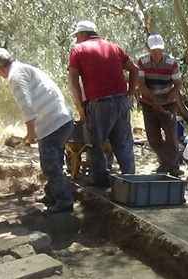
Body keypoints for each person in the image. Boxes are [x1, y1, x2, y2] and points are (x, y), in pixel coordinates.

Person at [0, 48, 74, 214]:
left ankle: (64, 202)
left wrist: (31, 133)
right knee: (54, 161)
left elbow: (26, 107)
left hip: (52, 124)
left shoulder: (15, 76)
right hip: (63, 120)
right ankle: (52, 195)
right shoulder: (25, 68)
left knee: (50, 165)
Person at [68, 20, 137, 187]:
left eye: (77, 36)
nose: (76, 39)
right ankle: (131, 180)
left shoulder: (78, 50)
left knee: (95, 144)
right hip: (121, 101)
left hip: (99, 103)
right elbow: (134, 69)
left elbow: (73, 81)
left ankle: (100, 183)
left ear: (83, 34)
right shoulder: (114, 47)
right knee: (123, 143)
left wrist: (80, 107)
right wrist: (130, 93)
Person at [135, 34, 185, 178]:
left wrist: (171, 96)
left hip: (168, 104)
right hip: (149, 104)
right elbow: (141, 84)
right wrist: (153, 101)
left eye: (159, 50)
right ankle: (165, 163)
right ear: (149, 50)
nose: (157, 53)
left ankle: (173, 166)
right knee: (153, 138)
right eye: (154, 51)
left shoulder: (171, 63)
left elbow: (178, 83)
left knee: (171, 136)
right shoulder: (142, 62)